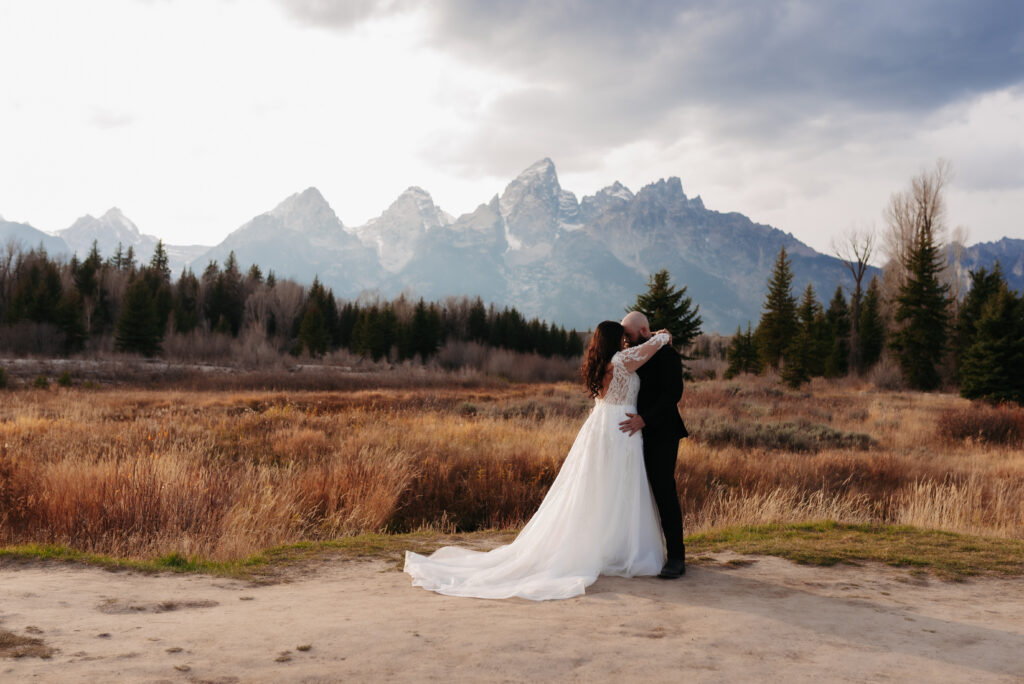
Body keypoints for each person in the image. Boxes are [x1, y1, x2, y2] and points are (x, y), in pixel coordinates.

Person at [403, 321, 672, 600]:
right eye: (623, 337)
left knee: (599, 490)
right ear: (615, 340)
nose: (627, 341)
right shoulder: (620, 360)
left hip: (602, 425)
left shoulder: (599, 363)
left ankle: (609, 547)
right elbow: (649, 349)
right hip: (619, 428)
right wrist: (662, 336)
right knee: (618, 489)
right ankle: (618, 551)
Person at [618, 311, 688, 578]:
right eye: (623, 335)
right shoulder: (635, 353)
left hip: (661, 432)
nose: (625, 340)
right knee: (635, 492)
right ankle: (642, 552)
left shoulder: (667, 354)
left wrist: (645, 420)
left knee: (663, 491)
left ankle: (677, 558)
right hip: (633, 433)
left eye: (629, 334)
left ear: (645, 330)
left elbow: (673, 394)